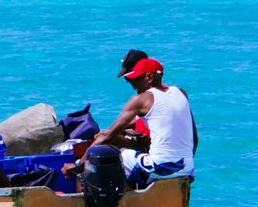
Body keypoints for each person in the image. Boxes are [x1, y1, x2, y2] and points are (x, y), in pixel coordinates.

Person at [67, 53, 196, 185]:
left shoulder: (141, 99)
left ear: (149, 78)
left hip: (160, 168)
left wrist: (78, 165)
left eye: (136, 79)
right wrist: (187, 169)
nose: (133, 84)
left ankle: (117, 202)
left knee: (112, 157)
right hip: (187, 168)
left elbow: (107, 136)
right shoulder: (180, 93)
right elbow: (194, 139)